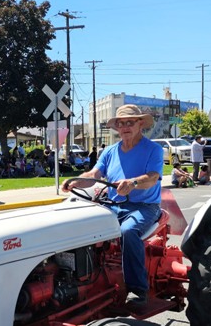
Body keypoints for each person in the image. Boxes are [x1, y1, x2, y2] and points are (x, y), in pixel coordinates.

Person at [62, 104, 163, 308]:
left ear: (140, 123)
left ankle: (137, 290)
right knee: (81, 224)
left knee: (128, 231)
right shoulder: (110, 151)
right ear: (116, 127)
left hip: (144, 207)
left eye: (130, 122)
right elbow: (94, 175)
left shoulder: (154, 149)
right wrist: (75, 181)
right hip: (113, 205)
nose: (125, 126)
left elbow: (153, 178)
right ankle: (80, 281)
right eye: (121, 123)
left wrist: (132, 183)